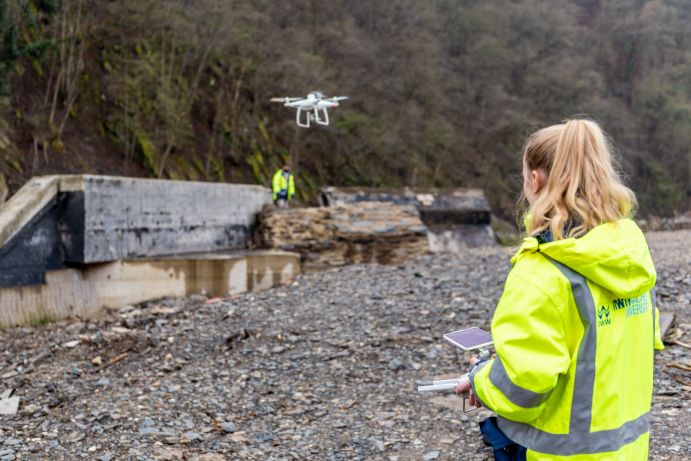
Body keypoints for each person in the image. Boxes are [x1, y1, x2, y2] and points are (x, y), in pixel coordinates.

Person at [456, 119, 664, 460]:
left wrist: (480, 379)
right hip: (628, 451)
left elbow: (523, 386)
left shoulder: (541, 272)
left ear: (535, 181)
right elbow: (628, 345)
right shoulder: (632, 258)